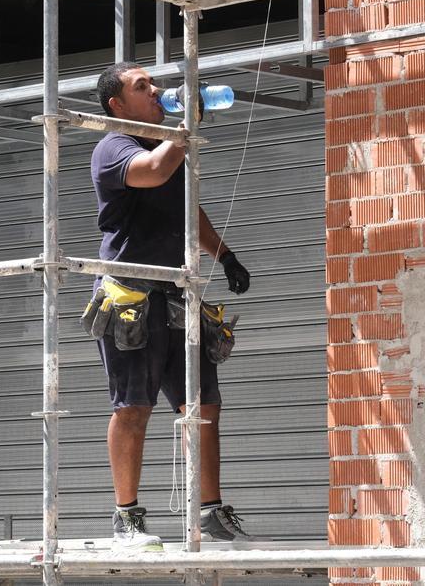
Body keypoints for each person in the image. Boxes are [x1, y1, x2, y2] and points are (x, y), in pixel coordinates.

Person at [89, 61, 257, 551]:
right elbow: (155, 170)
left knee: (203, 404)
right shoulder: (113, 148)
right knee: (133, 406)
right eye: (143, 87)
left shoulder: (170, 148)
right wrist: (185, 131)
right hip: (131, 296)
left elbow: (187, 203)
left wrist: (224, 255)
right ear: (118, 105)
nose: (157, 91)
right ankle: (127, 517)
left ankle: (209, 511)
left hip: (177, 292)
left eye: (155, 83)